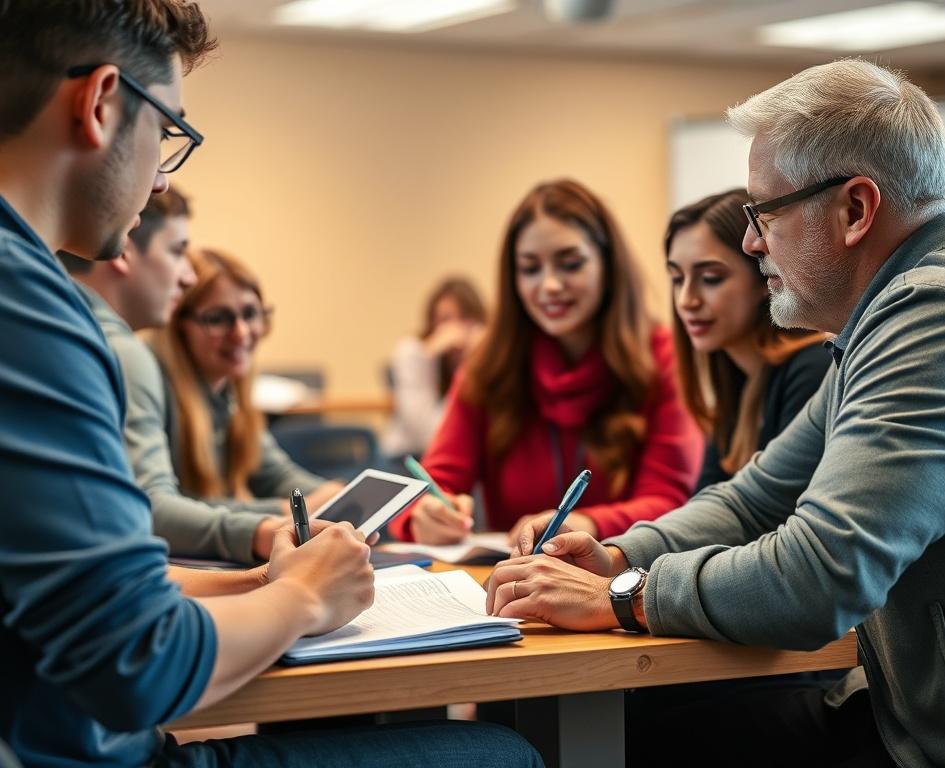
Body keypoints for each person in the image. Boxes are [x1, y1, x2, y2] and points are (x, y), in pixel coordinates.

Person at [0, 3, 542, 767]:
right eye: (169, 132)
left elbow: (78, 586)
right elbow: (136, 665)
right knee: (498, 753)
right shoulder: (32, 311)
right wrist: (302, 597)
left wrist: (259, 581)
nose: (162, 176)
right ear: (101, 103)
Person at [488, 60, 945, 768]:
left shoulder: (943, 315)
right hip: (907, 715)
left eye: (764, 213)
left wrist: (624, 595)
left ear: (856, 210)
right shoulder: (891, 317)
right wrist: (619, 555)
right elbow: (755, 501)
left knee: (636, 737)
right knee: (649, 729)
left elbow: (819, 577)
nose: (752, 242)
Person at [389, 178, 704, 545]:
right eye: (530, 269)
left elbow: (669, 503)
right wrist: (425, 514)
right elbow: (432, 485)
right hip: (512, 575)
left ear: (608, 265)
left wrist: (585, 524)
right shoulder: (490, 364)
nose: (550, 285)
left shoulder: (662, 357)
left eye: (570, 264)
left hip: (621, 572)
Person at [61, 188, 288, 564]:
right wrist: (268, 526)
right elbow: (148, 506)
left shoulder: (67, 325)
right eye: (177, 251)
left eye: (251, 314)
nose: (186, 277)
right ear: (125, 249)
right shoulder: (122, 352)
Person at [149, 246, 346, 533]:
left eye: (250, 313)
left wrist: (334, 497)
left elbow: (276, 476)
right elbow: (170, 508)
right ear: (178, 325)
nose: (241, 333)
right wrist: (285, 511)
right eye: (218, 318)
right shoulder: (153, 384)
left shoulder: (228, 395)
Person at [665, 188, 830, 491]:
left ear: (763, 277)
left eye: (711, 278)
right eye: (677, 279)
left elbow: (780, 507)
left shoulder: (812, 370)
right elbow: (705, 502)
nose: (686, 300)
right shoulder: (733, 378)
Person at [381, 276, 486, 458]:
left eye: (464, 318)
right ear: (432, 322)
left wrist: (480, 357)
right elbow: (429, 436)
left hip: (466, 458)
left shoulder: (486, 358)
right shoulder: (414, 352)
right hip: (409, 458)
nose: (454, 330)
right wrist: (429, 358)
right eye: (445, 320)